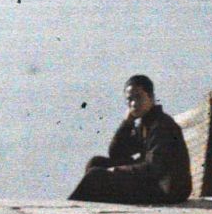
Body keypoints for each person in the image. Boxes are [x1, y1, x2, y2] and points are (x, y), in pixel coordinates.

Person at [68, 74, 192, 205]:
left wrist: (117, 171)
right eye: (129, 99)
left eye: (138, 97)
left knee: (96, 176)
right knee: (96, 163)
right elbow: (116, 153)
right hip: (154, 183)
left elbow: (154, 168)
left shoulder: (162, 125)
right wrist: (127, 123)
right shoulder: (145, 124)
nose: (133, 103)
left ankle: (72, 208)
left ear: (151, 97)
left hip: (167, 191)